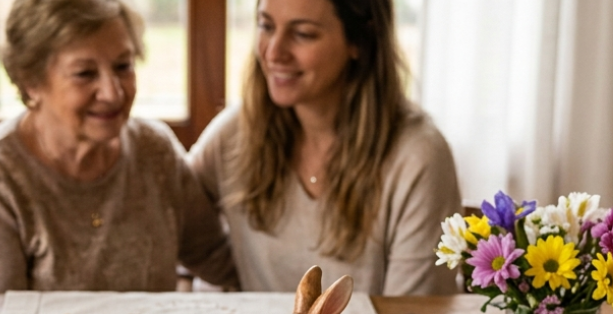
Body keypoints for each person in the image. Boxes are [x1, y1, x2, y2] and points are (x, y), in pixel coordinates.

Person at [0, 0, 237, 293]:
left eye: (123, 66)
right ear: (31, 82)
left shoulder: (154, 150)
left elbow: (217, 258)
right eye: (85, 73)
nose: (112, 92)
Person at [189, 0, 459, 294]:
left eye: (303, 34)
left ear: (359, 41)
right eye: (266, 26)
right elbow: (174, 220)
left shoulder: (419, 157)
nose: (273, 52)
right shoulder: (234, 133)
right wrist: (231, 279)